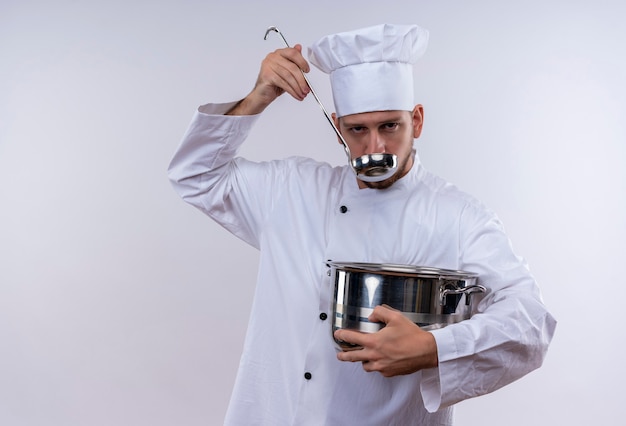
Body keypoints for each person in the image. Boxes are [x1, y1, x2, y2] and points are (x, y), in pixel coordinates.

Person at [168, 23, 556, 426]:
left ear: (417, 121)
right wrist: (260, 95)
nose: (375, 148)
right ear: (338, 127)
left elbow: (530, 320)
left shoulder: (457, 215)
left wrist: (433, 347)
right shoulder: (291, 190)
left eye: (390, 126)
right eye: (357, 130)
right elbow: (194, 175)